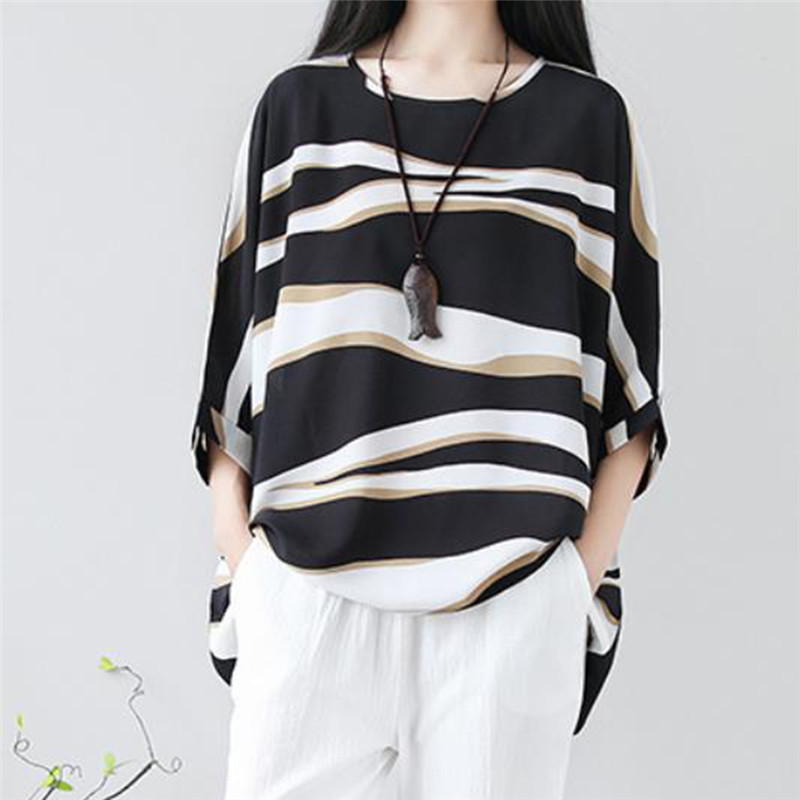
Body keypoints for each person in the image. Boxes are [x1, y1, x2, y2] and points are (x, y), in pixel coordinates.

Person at [190, 1, 669, 798]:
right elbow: (233, 368)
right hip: (309, 597)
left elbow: (629, 388)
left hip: (510, 603)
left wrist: (566, 587)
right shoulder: (298, 110)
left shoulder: (587, 122)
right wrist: (251, 568)